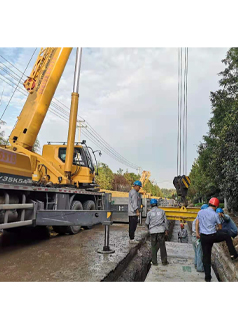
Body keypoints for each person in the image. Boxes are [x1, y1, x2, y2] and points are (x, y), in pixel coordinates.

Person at [196, 197, 238, 282]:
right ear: (216, 206)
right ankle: (233, 254)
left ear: (209, 203)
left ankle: (207, 278)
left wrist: (197, 233)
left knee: (206, 256)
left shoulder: (200, 212)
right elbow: (220, 227)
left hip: (203, 237)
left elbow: (197, 222)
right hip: (212, 236)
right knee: (226, 236)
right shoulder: (215, 214)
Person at [145, 198, 169, 266]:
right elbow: (165, 222)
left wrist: (149, 229)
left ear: (151, 205)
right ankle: (164, 261)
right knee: (162, 246)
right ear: (157, 204)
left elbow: (147, 223)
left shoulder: (149, 213)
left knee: (153, 246)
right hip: (161, 231)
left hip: (153, 231)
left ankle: (154, 262)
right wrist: (166, 230)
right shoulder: (162, 211)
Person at [191, 204, 208, 272]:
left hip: (193, 237)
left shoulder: (196, 218)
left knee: (196, 252)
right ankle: (200, 268)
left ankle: (196, 264)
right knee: (199, 253)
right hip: (197, 237)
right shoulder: (200, 219)